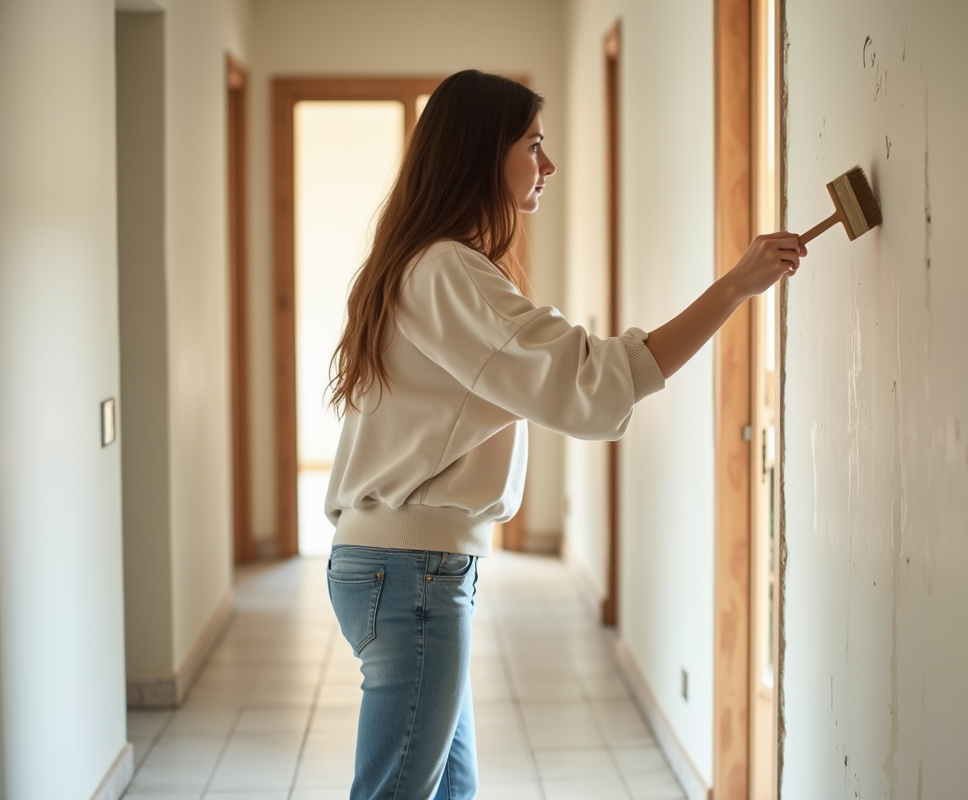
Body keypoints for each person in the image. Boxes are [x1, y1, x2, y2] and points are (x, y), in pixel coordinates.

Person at [324, 69, 804, 800]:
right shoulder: (448, 270)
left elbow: (575, 379)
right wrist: (733, 287)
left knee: (450, 791)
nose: (547, 165)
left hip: (400, 567)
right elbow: (589, 379)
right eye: (533, 145)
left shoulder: (424, 264)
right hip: (410, 573)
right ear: (482, 154)